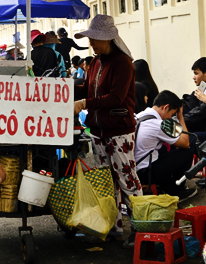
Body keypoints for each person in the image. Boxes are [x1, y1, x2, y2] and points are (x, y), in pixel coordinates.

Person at [73, 14, 141, 247]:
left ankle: (139, 228)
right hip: (98, 131)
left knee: (127, 179)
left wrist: (84, 104)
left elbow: (115, 98)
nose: (93, 43)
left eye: (97, 39)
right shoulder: (95, 61)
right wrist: (63, 89)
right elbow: (87, 88)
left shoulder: (123, 63)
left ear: (110, 39)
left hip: (119, 131)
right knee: (106, 181)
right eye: (91, 39)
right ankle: (114, 227)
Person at [134, 90, 197, 200]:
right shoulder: (159, 124)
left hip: (134, 168)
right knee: (187, 152)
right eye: (172, 114)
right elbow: (185, 143)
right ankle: (175, 191)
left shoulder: (141, 115)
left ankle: (165, 186)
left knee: (163, 148)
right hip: (145, 173)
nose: (170, 118)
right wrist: (180, 117)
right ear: (165, 107)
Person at [183, 57, 206, 139]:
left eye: (196, 73)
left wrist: (179, 121)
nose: (193, 77)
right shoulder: (202, 89)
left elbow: (201, 112)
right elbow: (191, 101)